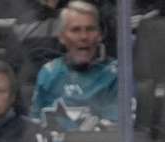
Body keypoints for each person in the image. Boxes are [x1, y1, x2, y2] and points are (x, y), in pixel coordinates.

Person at [30, 1, 118, 132]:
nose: (84, 37)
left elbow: (115, 130)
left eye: (90, 29)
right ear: (62, 37)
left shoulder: (116, 75)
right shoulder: (48, 73)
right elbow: (35, 125)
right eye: (75, 30)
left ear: (100, 35)